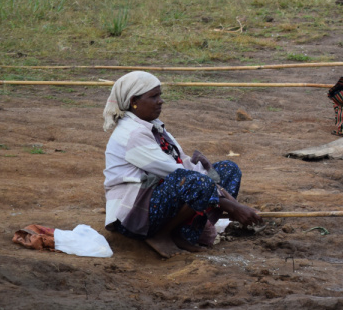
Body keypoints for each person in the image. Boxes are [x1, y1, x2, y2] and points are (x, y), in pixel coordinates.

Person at [103, 71, 263, 258]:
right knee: (197, 183)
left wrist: (231, 201)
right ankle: (161, 235)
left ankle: (182, 234)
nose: (160, 101)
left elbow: (185, 163)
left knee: (228, 170)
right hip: (135, 216)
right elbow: (176, 172)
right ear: (133, 101)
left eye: (160, 95)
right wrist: (231, 206)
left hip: (159, 200)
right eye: (153, 96)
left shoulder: (153, 126)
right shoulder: (132, 134)